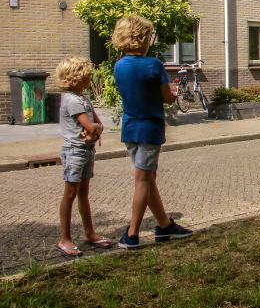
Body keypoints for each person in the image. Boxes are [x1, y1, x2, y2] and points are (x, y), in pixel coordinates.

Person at [112, 15, 193, 249]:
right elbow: (167, 96)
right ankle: (132, 233)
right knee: (142, 180)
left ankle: (165, 225)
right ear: (142, 38)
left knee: (149, 179)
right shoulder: (154, 65)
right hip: (149, 129)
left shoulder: (119, 66)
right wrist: (171, 97)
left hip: (129, 129)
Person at [54, 57, 112, 257]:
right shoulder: (71, 100)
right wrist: (94, 130)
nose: (91, 77)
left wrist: (94, 130)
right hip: (74, 151)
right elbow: (91, 126)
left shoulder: (84, 99)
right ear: (75, 79)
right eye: (88, 75)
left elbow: (99, 125)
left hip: (87, 150)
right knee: (70, 194)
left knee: (83, 193)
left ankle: (89, 233)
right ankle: (65, 239)